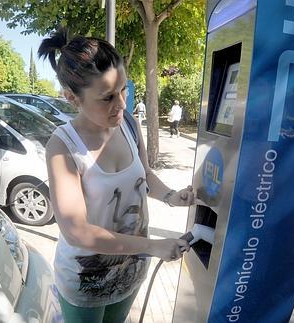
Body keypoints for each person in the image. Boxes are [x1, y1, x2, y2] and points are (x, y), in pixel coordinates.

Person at [38, 29, 195, 323]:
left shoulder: (130, 125)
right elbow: (78, 232)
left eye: (122, 89)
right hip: (87, 279)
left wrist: (172, 197)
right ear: (72, 97)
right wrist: (153, 246)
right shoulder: (63, 146)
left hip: (131, 269)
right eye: (107, 97)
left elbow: (145, 176)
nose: (121, 104)